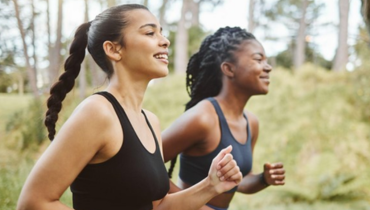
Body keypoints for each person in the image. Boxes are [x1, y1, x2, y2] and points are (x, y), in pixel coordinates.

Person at [16, 5, 243, 210]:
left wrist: (210, 186)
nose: (165, 40)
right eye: (150, 33)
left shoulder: (150, 121)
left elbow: (158, 206)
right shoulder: (98, 112)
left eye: (162, 32)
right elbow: (34, 201)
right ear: (114, 50)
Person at [162, 27, 286, 210]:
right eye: (258, 59)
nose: (268, 67)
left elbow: (239, 181)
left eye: (266, 61)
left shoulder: (251, 122)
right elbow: (145, 164)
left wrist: (263, 179)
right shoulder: (203, 117)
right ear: (229, 69)